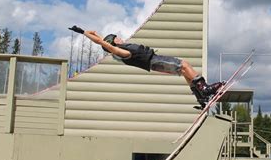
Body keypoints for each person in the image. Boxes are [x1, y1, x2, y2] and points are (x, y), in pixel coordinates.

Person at [68, 25, 224, 107]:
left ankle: (200, 96)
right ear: (113, 43)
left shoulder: (119, 49)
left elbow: (101, 38)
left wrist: (84, 31)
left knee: (184, 71)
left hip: (154, 62)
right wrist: (86, 34)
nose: (121, 38)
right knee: (185, 65)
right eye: (117, 38)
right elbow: (103, 42)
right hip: (155, 61)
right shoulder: (122, 52)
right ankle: (204, 89)